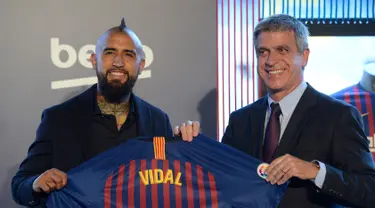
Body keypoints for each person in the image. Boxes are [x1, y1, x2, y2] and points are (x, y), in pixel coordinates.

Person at [179, 14, 375, 207]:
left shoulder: (338, 116)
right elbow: (220, 181)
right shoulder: (241, 119)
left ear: (304, 56)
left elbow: (369, 189)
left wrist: (315, 171)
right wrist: (190, 146)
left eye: (282, 50)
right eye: (263, 52)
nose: (271, 61)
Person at [11, 18, 194, 207]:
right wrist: (35, 184)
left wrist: (185, 147)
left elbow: (170, 186)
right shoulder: (58, 119)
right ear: (93, 60)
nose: (118, 62)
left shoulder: (157, 120)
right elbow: (19, 185)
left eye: (128, 55)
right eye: (109, 52)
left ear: (141, 64)